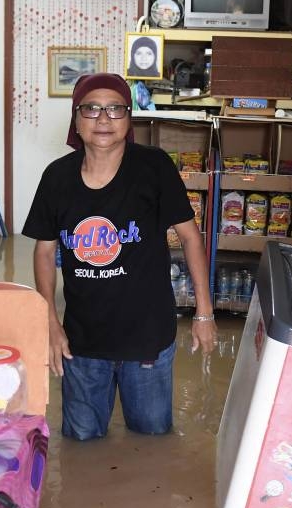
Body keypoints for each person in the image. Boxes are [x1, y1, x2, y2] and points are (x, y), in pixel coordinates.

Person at [22, 73, 216, 441]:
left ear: (128, 118)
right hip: (82, 340)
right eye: (91, 109)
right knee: (81, 440)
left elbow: (190, 237)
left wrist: (204, 313)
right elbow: (44, 251)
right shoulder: (57, 178)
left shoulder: (154, 168)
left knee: (151, 438)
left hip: (147, 339)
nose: (103, 119)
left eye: (115, 109)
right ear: (76, 119)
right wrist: (49, 322)